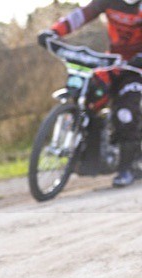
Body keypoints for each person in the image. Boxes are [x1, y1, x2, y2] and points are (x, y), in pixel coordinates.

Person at [38, 0, 142, 188]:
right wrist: (53, 32)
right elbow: (81, 15)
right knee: (89, 93)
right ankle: (86, 150)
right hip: (113, 62)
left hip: (137, 68)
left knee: (125, 113)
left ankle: (127, 168)